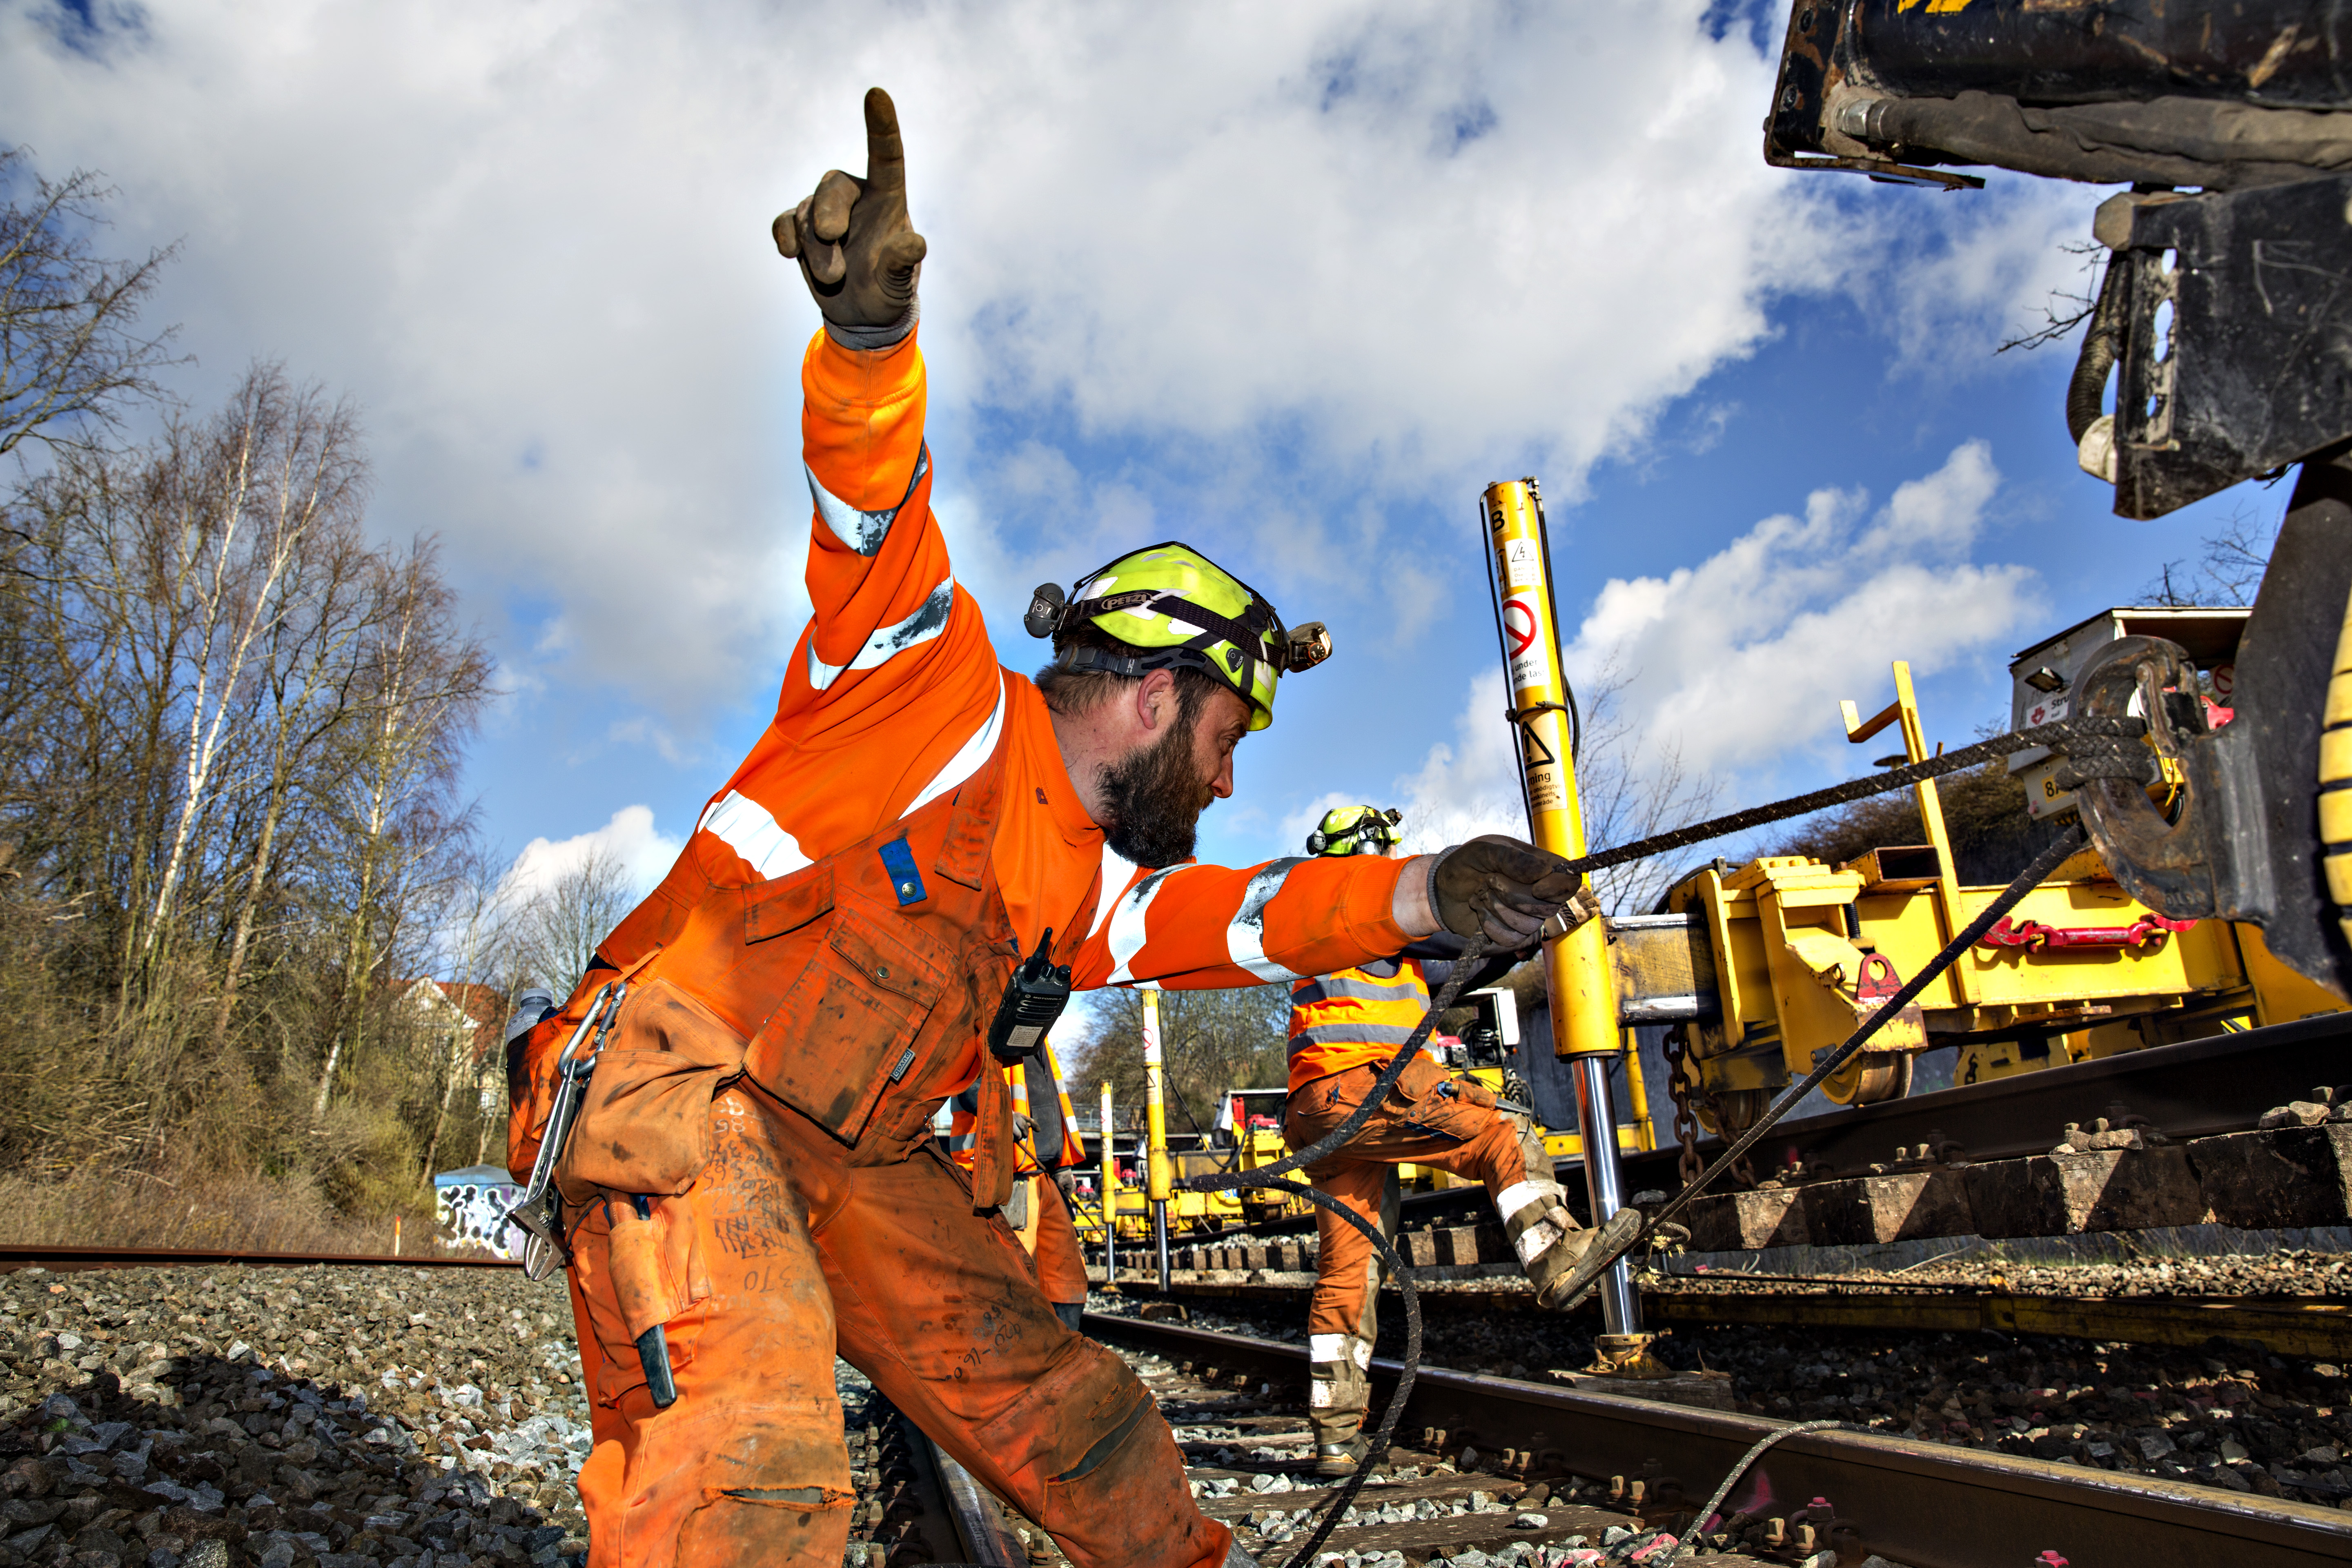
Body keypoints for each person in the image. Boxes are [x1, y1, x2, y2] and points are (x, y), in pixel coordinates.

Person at [506, 89, 1592, 1568]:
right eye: (1225, 737)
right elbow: (871, 507)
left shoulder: (1072, 881)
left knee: (1083, 1425)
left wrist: (1425, 893)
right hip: (684, 1090)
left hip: (854, 1154)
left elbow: (1244, 918)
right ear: (1152, 700)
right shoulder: (927, 679)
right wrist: (871, 345)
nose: (1224, 781)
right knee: (745, 1474)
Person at [1282, 805, 1634, 1476]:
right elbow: (1449, 943)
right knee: (1500, 1129)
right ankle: (1555, 1255)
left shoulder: (1352, 942)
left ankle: (1333, 1432)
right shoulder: (1359, 910)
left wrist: (1532, 934)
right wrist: (1527, 919)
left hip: (1319, 1111)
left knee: (1349, 1271)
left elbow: (1459, 968)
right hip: (1366, 1085)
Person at [948, 1040, 1092, 1331]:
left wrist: (1062, 1166)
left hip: (1045, 1176)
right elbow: (963, 1081)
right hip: (1007, 1174)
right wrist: (999, 1115)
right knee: (1016, 1274)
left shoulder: (1039, 1042)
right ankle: (1018, 1354)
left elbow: (1050, 1104)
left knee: (1066, 1275)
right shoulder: (985, 1029)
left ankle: (1063, 1349)